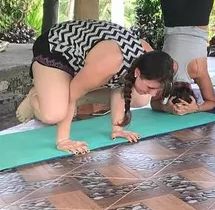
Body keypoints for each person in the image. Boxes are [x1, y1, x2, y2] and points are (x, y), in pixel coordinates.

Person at [16, 20, 175, 155]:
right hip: (56, 47)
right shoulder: (108, 63)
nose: (153, 94)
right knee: (54, 114)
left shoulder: (153, 60)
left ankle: (58, 90)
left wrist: (117, 128)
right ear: (138, 72)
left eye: (157, 90)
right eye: (151, 87)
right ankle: (36, 95)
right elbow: (73, 95)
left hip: (87, 55)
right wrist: (64, 140)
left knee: (140, 98)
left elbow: (121, 85)